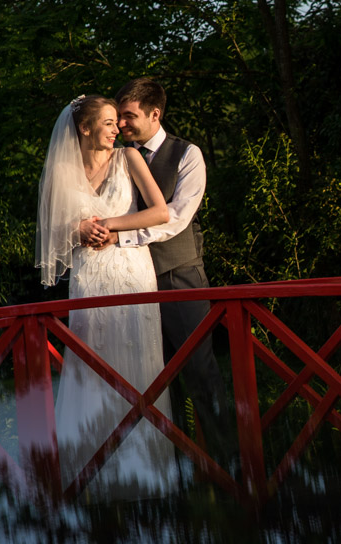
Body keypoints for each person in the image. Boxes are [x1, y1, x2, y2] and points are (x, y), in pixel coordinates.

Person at [35, 94, 177, 497]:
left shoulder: (129, 158)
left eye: (118, 122)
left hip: (131, 271)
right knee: (91, 360)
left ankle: (146, 468)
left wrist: (110, 225)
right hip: (89, 276)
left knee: (138, 360)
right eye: (110, 122)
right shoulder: (61, 169)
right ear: (85, 128)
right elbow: (51, 231)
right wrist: (78, 231)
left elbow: (161, 212)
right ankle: (90, 467)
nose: (119, 128)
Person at [89, 77, 236, 457]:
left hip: (179, 277)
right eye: (118, 117)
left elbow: (176, 217)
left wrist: (119, 238)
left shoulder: (188, 154)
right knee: (151, 378)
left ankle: (226, 459)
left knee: (200, 372)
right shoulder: (118, 157)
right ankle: (173, 462)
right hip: (132, 281)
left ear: (155, 114)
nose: (121, 125)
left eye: (129, 116)